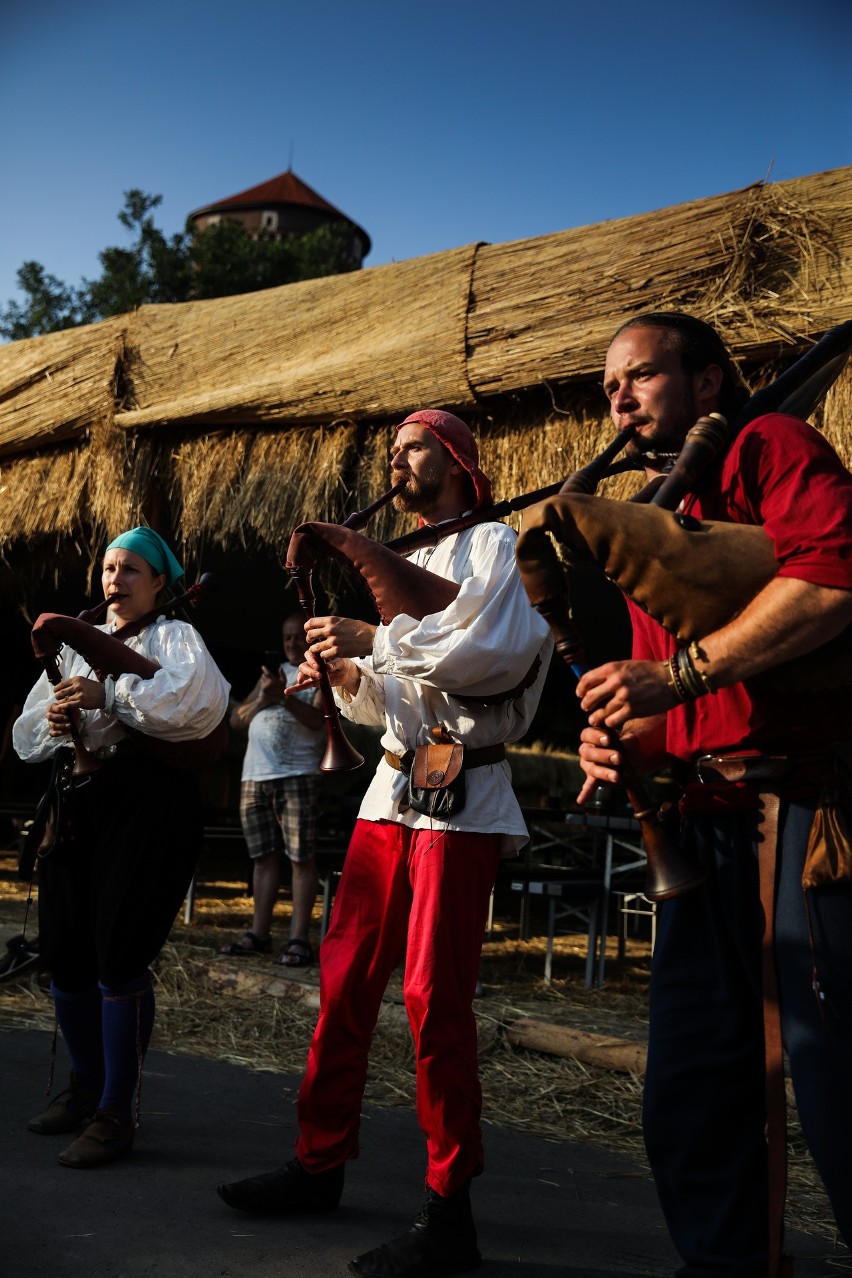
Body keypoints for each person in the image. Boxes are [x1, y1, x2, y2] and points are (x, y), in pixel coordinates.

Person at [217, 409, 552, 1278]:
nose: (396, 460)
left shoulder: (493, 547)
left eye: (412, 446)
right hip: (390, 789)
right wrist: (349, 677)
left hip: (462, 797)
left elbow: (496, 659)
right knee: (344, 978)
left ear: (455, 459)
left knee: (437, 1002)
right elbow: (392, 704)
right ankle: (318, 1161)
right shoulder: (416, 557)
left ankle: (451, 1213)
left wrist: (379, 639)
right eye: (393, 450)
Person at [575, 313, 852, 1274]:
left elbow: (836, 579)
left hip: (804, 825)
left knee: (839, 1093)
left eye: (640, 375)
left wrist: (682, 676)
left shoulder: (771, 445)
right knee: (690, 1096)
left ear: (707, 383)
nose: (618, 396)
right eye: (609, 384)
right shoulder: (655, 515)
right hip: (703, 832)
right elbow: (667, 705)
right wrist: (620, 741)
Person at [13, 526, 230, 1168]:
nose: (115, 580)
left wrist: (108, 694)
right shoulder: (81, 639)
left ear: (160, 580)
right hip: (80, 806)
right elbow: (27, 729)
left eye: (131, 569)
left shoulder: (174, 637)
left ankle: (115, 1112)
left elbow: (197, 705)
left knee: (118, 955)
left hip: (146, 808)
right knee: (66, 953)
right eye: (109, 569)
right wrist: (55, 719)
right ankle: (83, 1088)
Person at [218, 613, 324, 965]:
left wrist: (283, 698)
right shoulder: (268, 678)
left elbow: (317, 723)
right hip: (255, 776)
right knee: (262, 857)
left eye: (298, 638)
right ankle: (259, 933)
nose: (292, 643)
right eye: (287, 638)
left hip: (297, 774)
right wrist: (265, 696)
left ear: (309, 641)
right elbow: (236, 720)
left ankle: (298, 939)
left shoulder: (318, 676)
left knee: (300, 858)